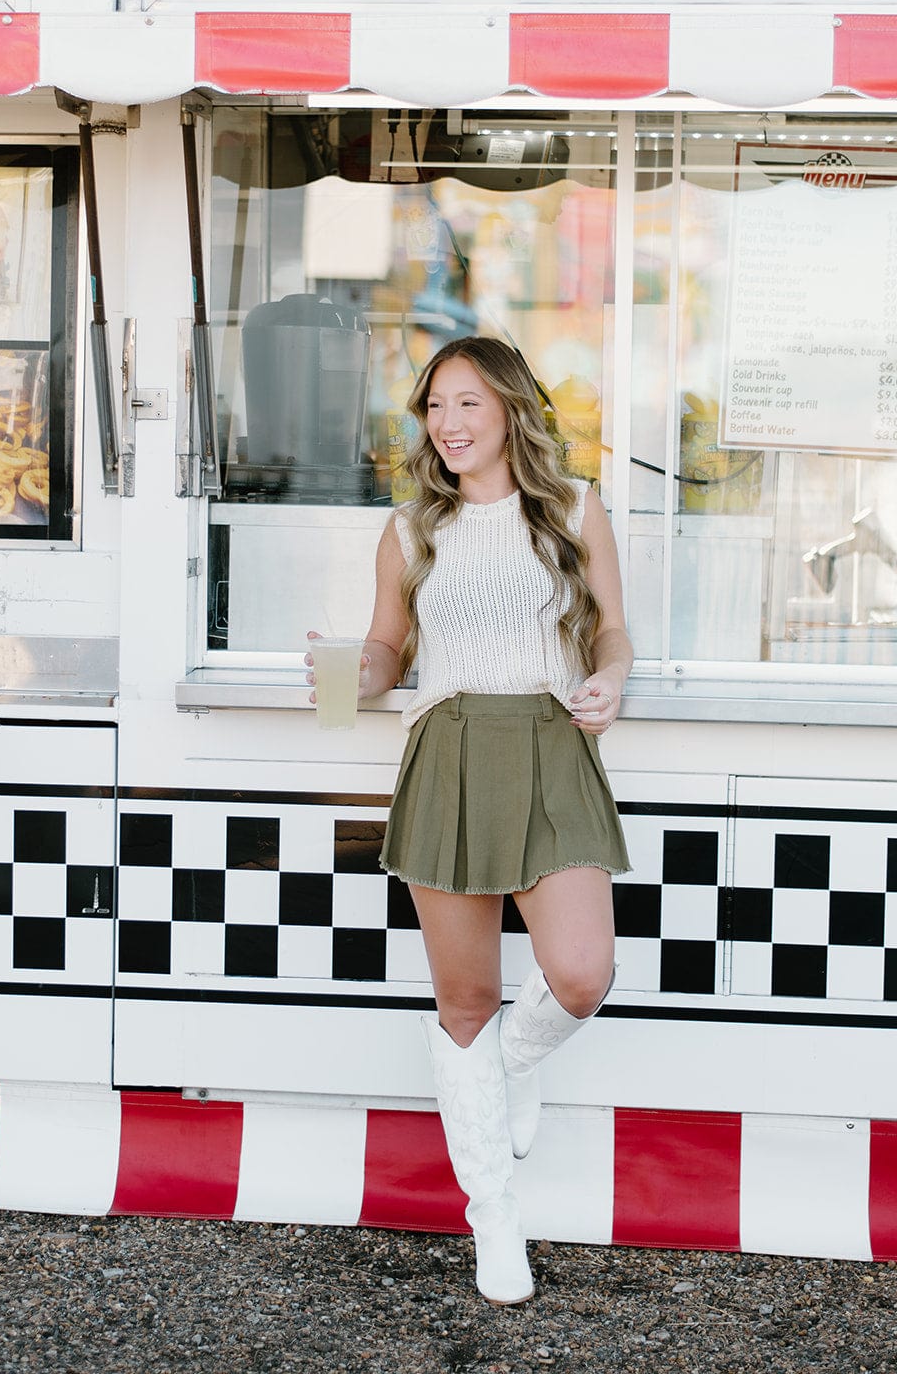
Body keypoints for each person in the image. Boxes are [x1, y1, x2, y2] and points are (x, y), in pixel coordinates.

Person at [307, 335, 631, 1307]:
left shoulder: (573, 507)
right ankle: (494, 1214)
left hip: (546, 743)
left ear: (509, 412)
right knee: (463, 1005)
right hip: (447, 751)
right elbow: (381, 653)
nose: (447, 424)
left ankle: (509, 1063)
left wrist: (611, 675)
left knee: (579, 973)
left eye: (466, 405)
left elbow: (610, 624)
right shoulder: (408, 530)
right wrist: (335, 673)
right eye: (434, 408)